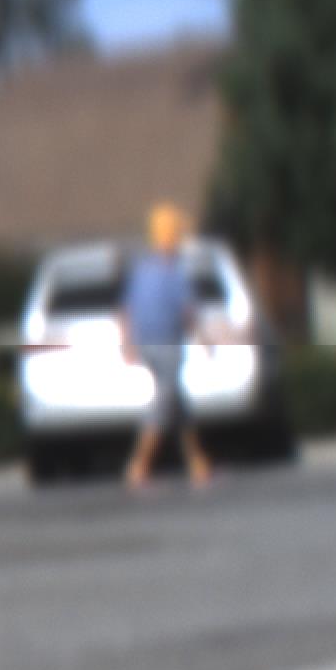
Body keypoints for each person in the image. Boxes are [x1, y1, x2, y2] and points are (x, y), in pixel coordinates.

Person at [120, 203, 214, 490]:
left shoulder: (142, 270)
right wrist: (204, 339)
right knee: (164, 404)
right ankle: (139, 464)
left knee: (178, 404)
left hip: (146, 345)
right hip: (168, 346)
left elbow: (126, 310)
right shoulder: (174, 272)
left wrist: (128, 343)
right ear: (173, 237)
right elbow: (188, 312)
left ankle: (197, 461)